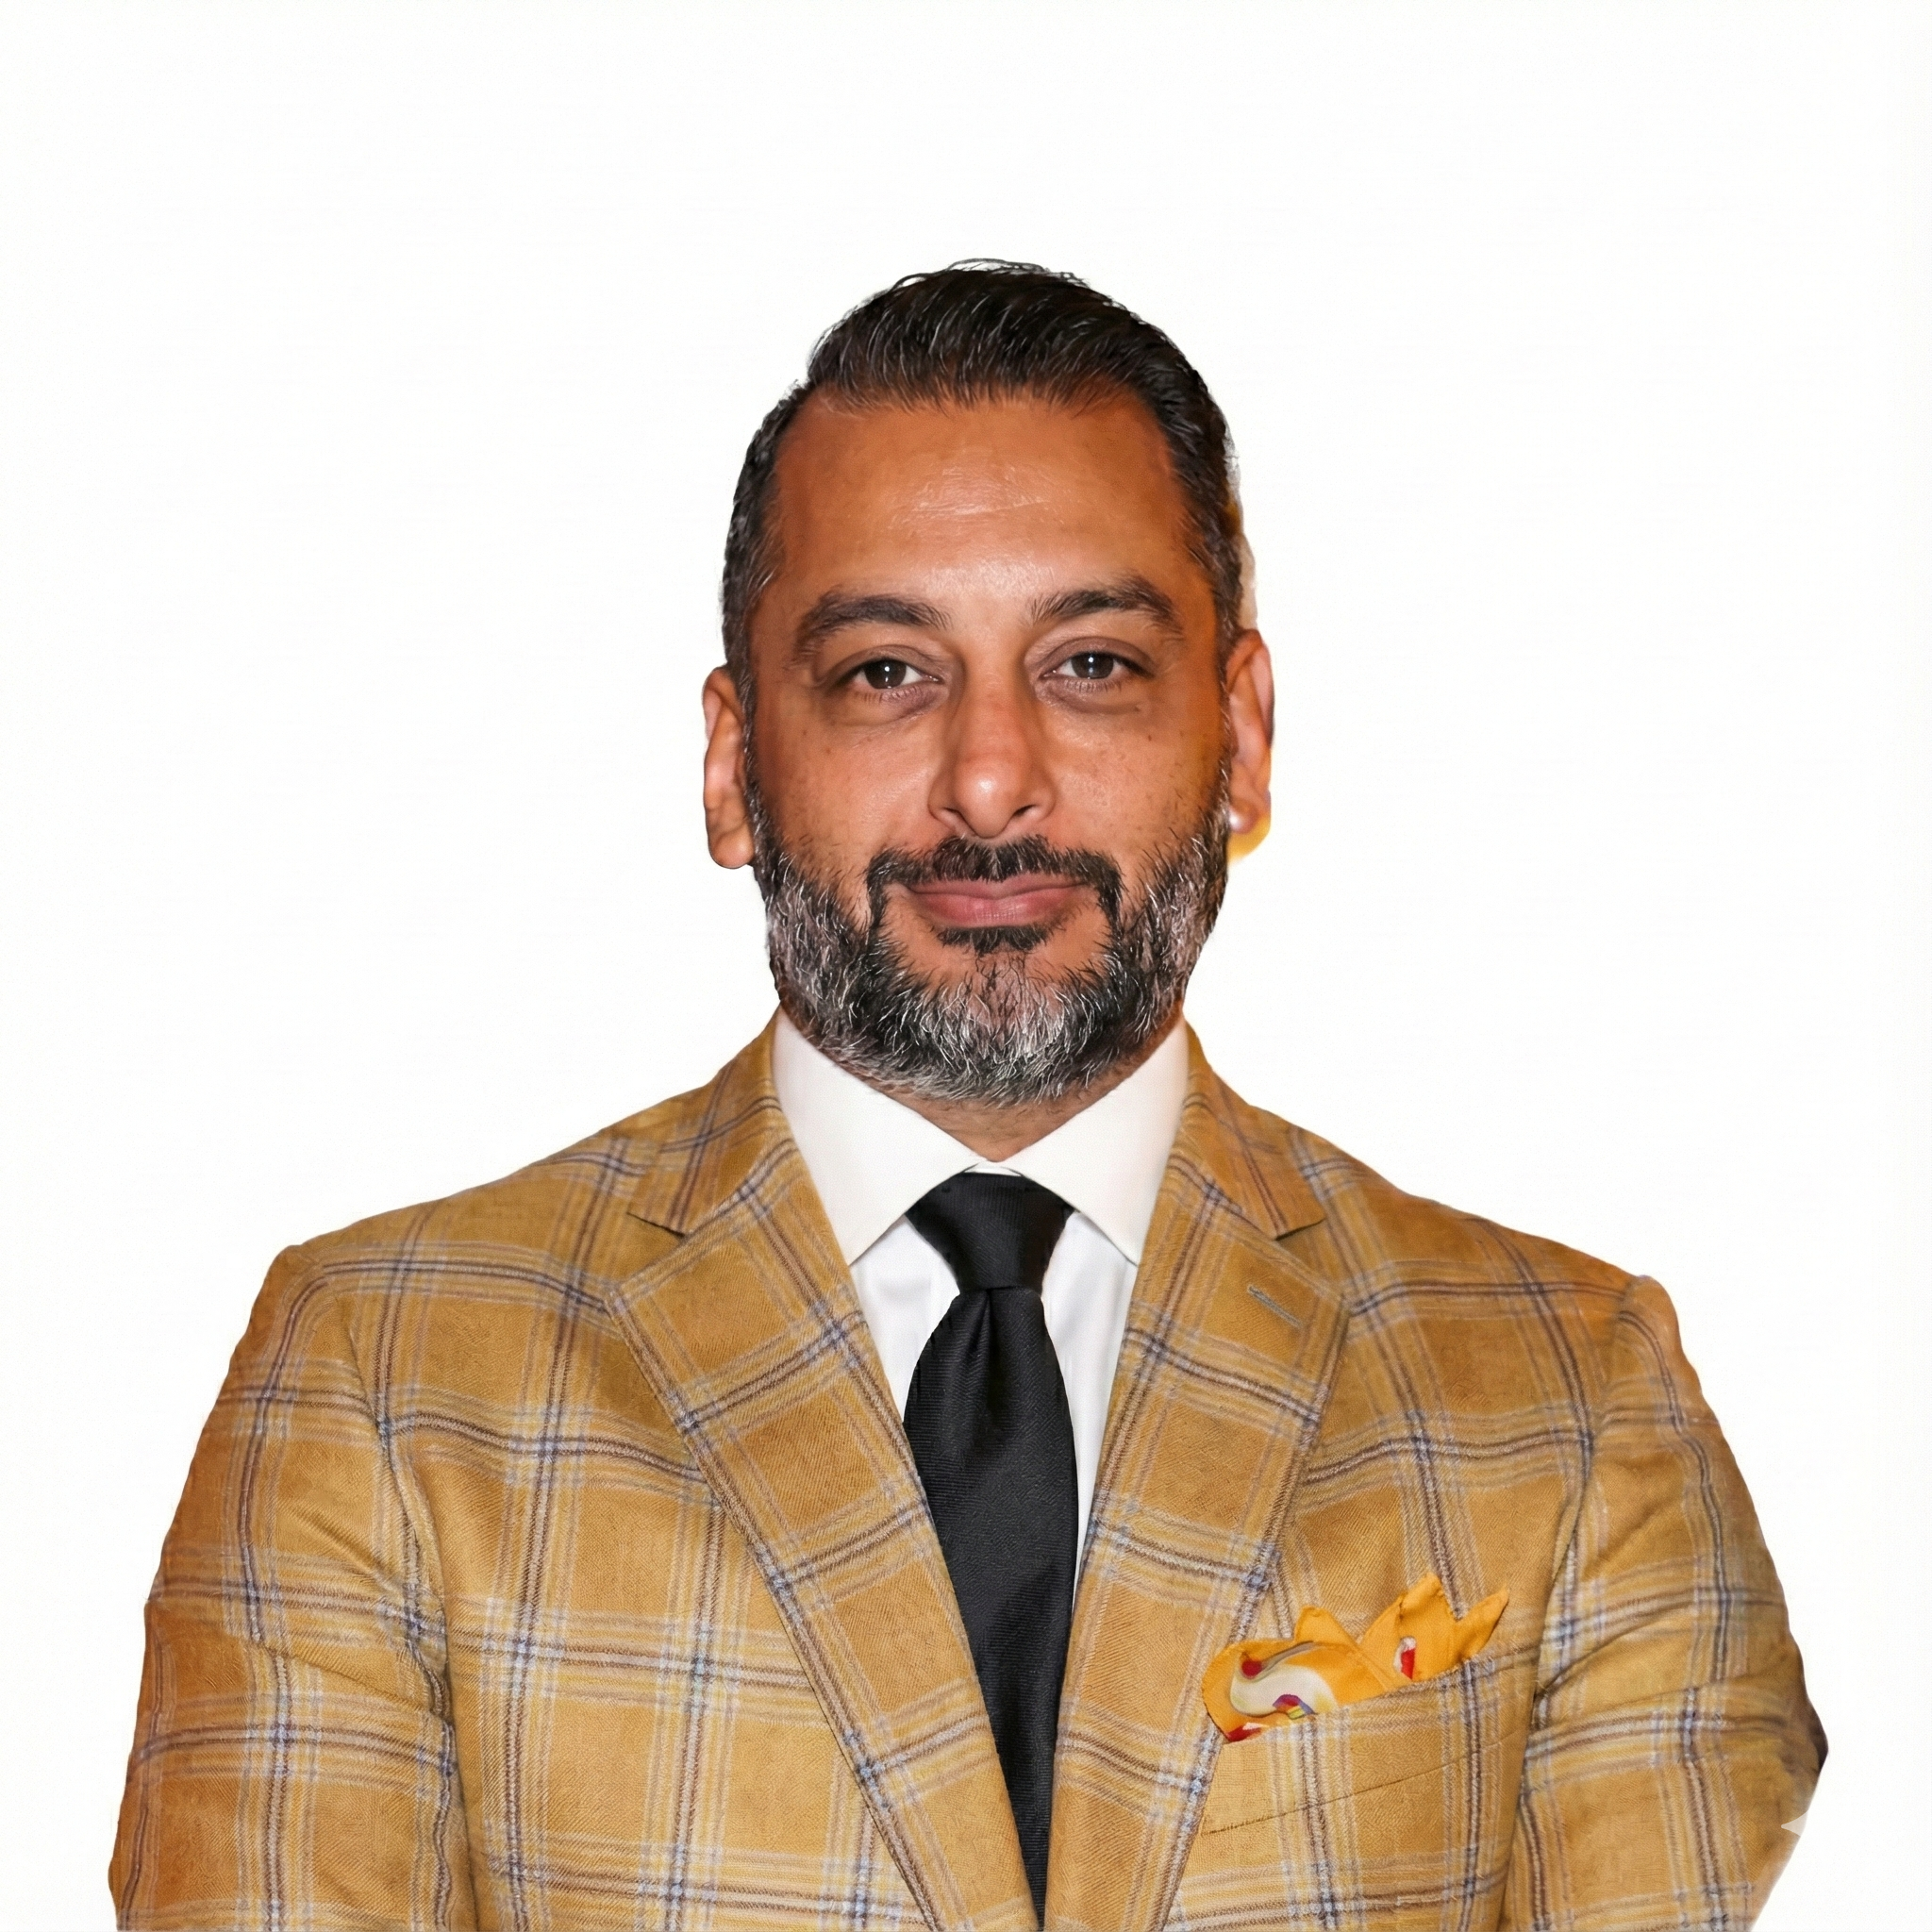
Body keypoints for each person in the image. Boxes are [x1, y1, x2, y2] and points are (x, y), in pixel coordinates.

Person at [109, 262, 1822, 1931]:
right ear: (733, 763)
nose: (991, 781)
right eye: (886, 672)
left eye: (1092, 664)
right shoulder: (386, 1384)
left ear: (1241, 738)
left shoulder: (1572, 1400)